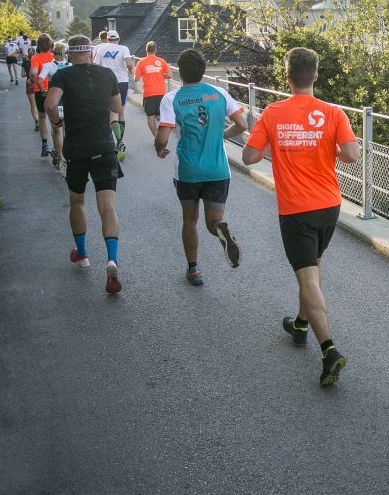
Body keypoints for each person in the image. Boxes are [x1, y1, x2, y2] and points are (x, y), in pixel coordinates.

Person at [242, 47, 360, 387]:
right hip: (330, 206)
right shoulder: (333, 112)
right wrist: (326, 147)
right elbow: (352, 154)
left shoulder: (273, 113)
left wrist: (274, 147)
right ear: (316, 76)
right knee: (314, 265)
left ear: (288, 78)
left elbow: (250, 156)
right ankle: (300, 324)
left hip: (296, 209)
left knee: (307, 277)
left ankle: (329, 351)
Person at [154, 49, 248, 286]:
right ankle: (221, 229)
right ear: (203, 71)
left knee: (190, 220)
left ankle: (193, 269)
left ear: (180, 73)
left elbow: (163, 137)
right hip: (217, 169)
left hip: (188, 171)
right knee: (213, 222)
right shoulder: (220, 93)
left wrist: (159, 147)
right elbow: (242, 124)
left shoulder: (171, 98)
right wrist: (220, 135)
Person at [44, 35, 124, 294]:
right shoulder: (106, 75)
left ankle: (82, 253)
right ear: (90, 53)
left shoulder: (62, 76)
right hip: (104, 147)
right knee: (108, 206)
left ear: (70, 54)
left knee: (77, 202)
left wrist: (57, 123)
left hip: (76, 149)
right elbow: (117, 107)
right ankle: (111, 259)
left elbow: (50, 104)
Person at [94, 30, 133, 162]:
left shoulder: (101, 49)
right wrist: (130, 71)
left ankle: (118, 140)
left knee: (111, 112)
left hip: (107, 82)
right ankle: (120, 141)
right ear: (118, 38)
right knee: (121, 111)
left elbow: (95, 66)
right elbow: (129, 64)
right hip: (122, 81)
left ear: (107, 39)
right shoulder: (124, 48)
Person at [38, 41, 71, 177]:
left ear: (53, 52)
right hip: (69, 101)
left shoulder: (49, 66)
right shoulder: (70, 66)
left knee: (56, 130)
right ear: (65, 53)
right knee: (68, 130)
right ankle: (69, 156)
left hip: (56, 101)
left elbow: (39, 79)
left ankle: (58, 158)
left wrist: (44, 91)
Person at [134, 40, 171, 137]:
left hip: (148, 94)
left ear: (146, 50)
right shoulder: (162, 61)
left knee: (150, 118)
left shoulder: (141, 62)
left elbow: (136, 79)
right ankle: (163, 137)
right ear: (155, 50)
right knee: (162, 117)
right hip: (161, 93)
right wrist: (161, 74)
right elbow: (170, 75)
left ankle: (156, 137)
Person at [30, 34, 56, 160]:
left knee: (42, 116)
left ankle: (45, 144)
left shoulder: (36, 58)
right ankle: (58, 146)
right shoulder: (55, 57)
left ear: (38, 46)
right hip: (54, 90)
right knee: (56, 119)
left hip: (40, 91)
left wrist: (31, 79)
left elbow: (33, 73)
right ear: (51, 46)